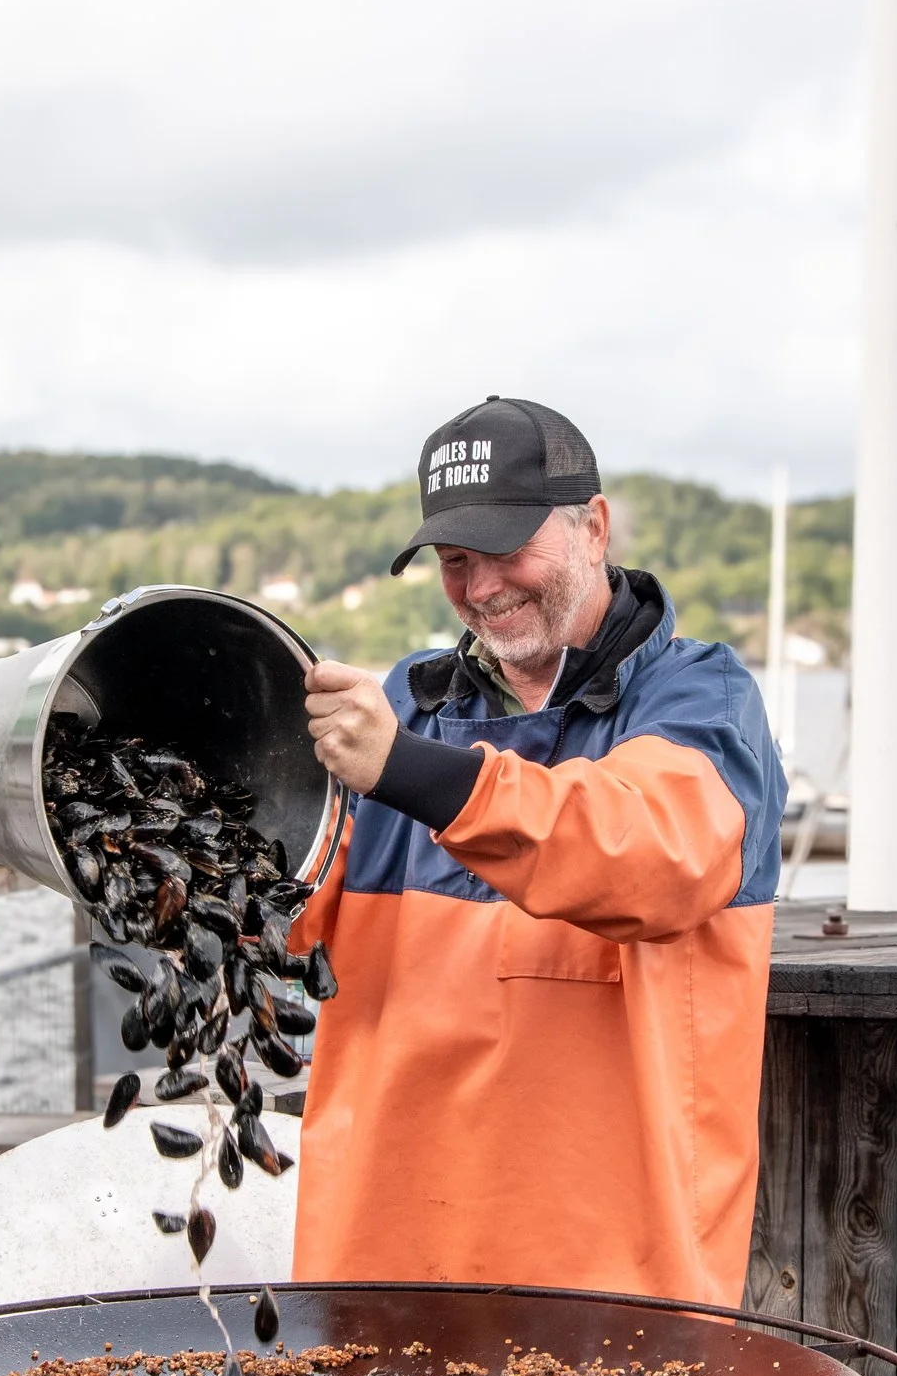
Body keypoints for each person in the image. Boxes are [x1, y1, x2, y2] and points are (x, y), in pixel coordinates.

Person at [291, 396, 783, 1307]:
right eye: (455, 560)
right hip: (382, 1265)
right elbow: (284, 912)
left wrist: (409, 770)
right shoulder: (404, 705)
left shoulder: (702, 701)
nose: (482, 586)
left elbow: (654, 857)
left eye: (507, 548)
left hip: (616, 1292)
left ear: (593, 527)